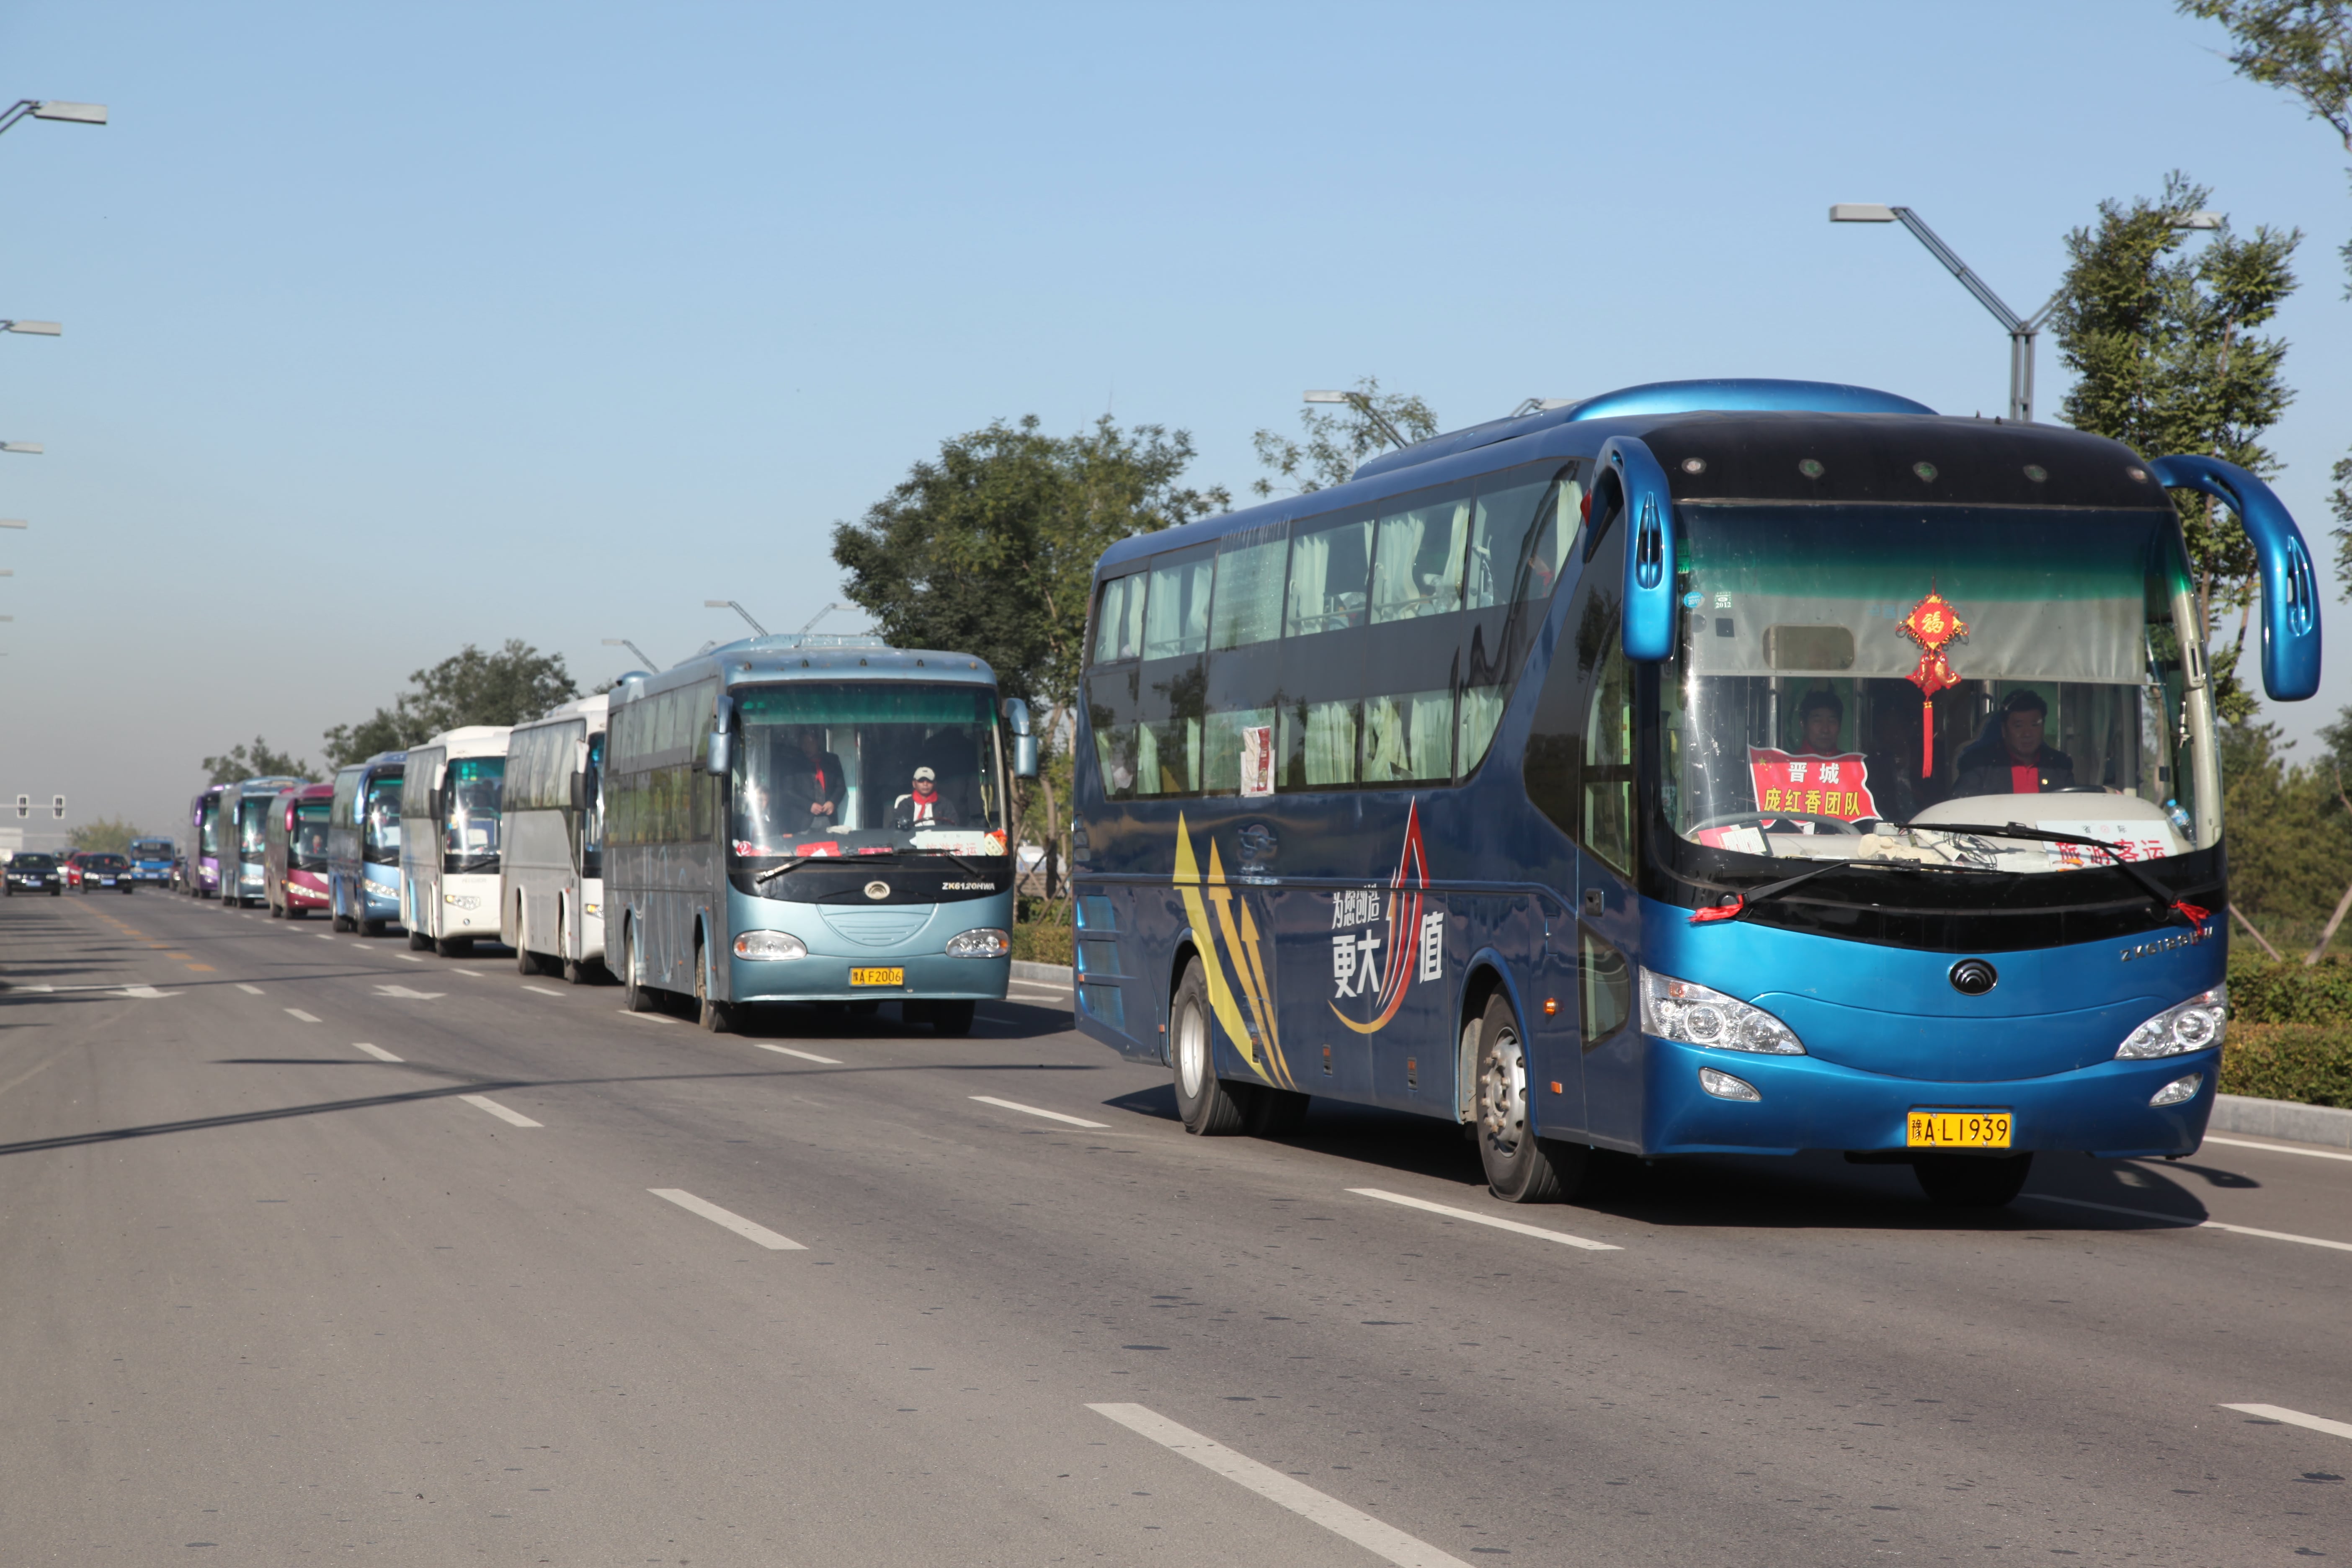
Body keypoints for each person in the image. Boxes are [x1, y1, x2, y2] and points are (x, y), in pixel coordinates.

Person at [1950, 689, 2076, 797]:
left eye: (2035, 725)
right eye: (2019, 726)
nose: (2027, 734)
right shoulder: (1978, 765)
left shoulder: (2060, 765)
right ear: (2004, 730)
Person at [783, 727, 848, 829]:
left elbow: (841, 787)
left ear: (818, 742)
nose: (807, 747)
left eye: (810, 743)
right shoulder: (794, 763)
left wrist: (833, 802)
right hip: (803, 821)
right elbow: (788, 791)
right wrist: (809, 805)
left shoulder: (832, 761)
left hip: (828, 819)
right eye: (804, 744)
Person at [891, 765, 958, 830]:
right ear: (914, 784)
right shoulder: (905, 804)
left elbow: (954, 826)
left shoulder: (945, 804)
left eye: (929, 781)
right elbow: (895, 828)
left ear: (935, 784)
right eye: (921, 781)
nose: (925, 784)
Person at [1791, 689, 1845, 757]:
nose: (1825, 730)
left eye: (1832, 721)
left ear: (1840, 726)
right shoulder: (1789, 764)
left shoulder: (1850, 764)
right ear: (1803, 724)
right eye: (1818, 721)